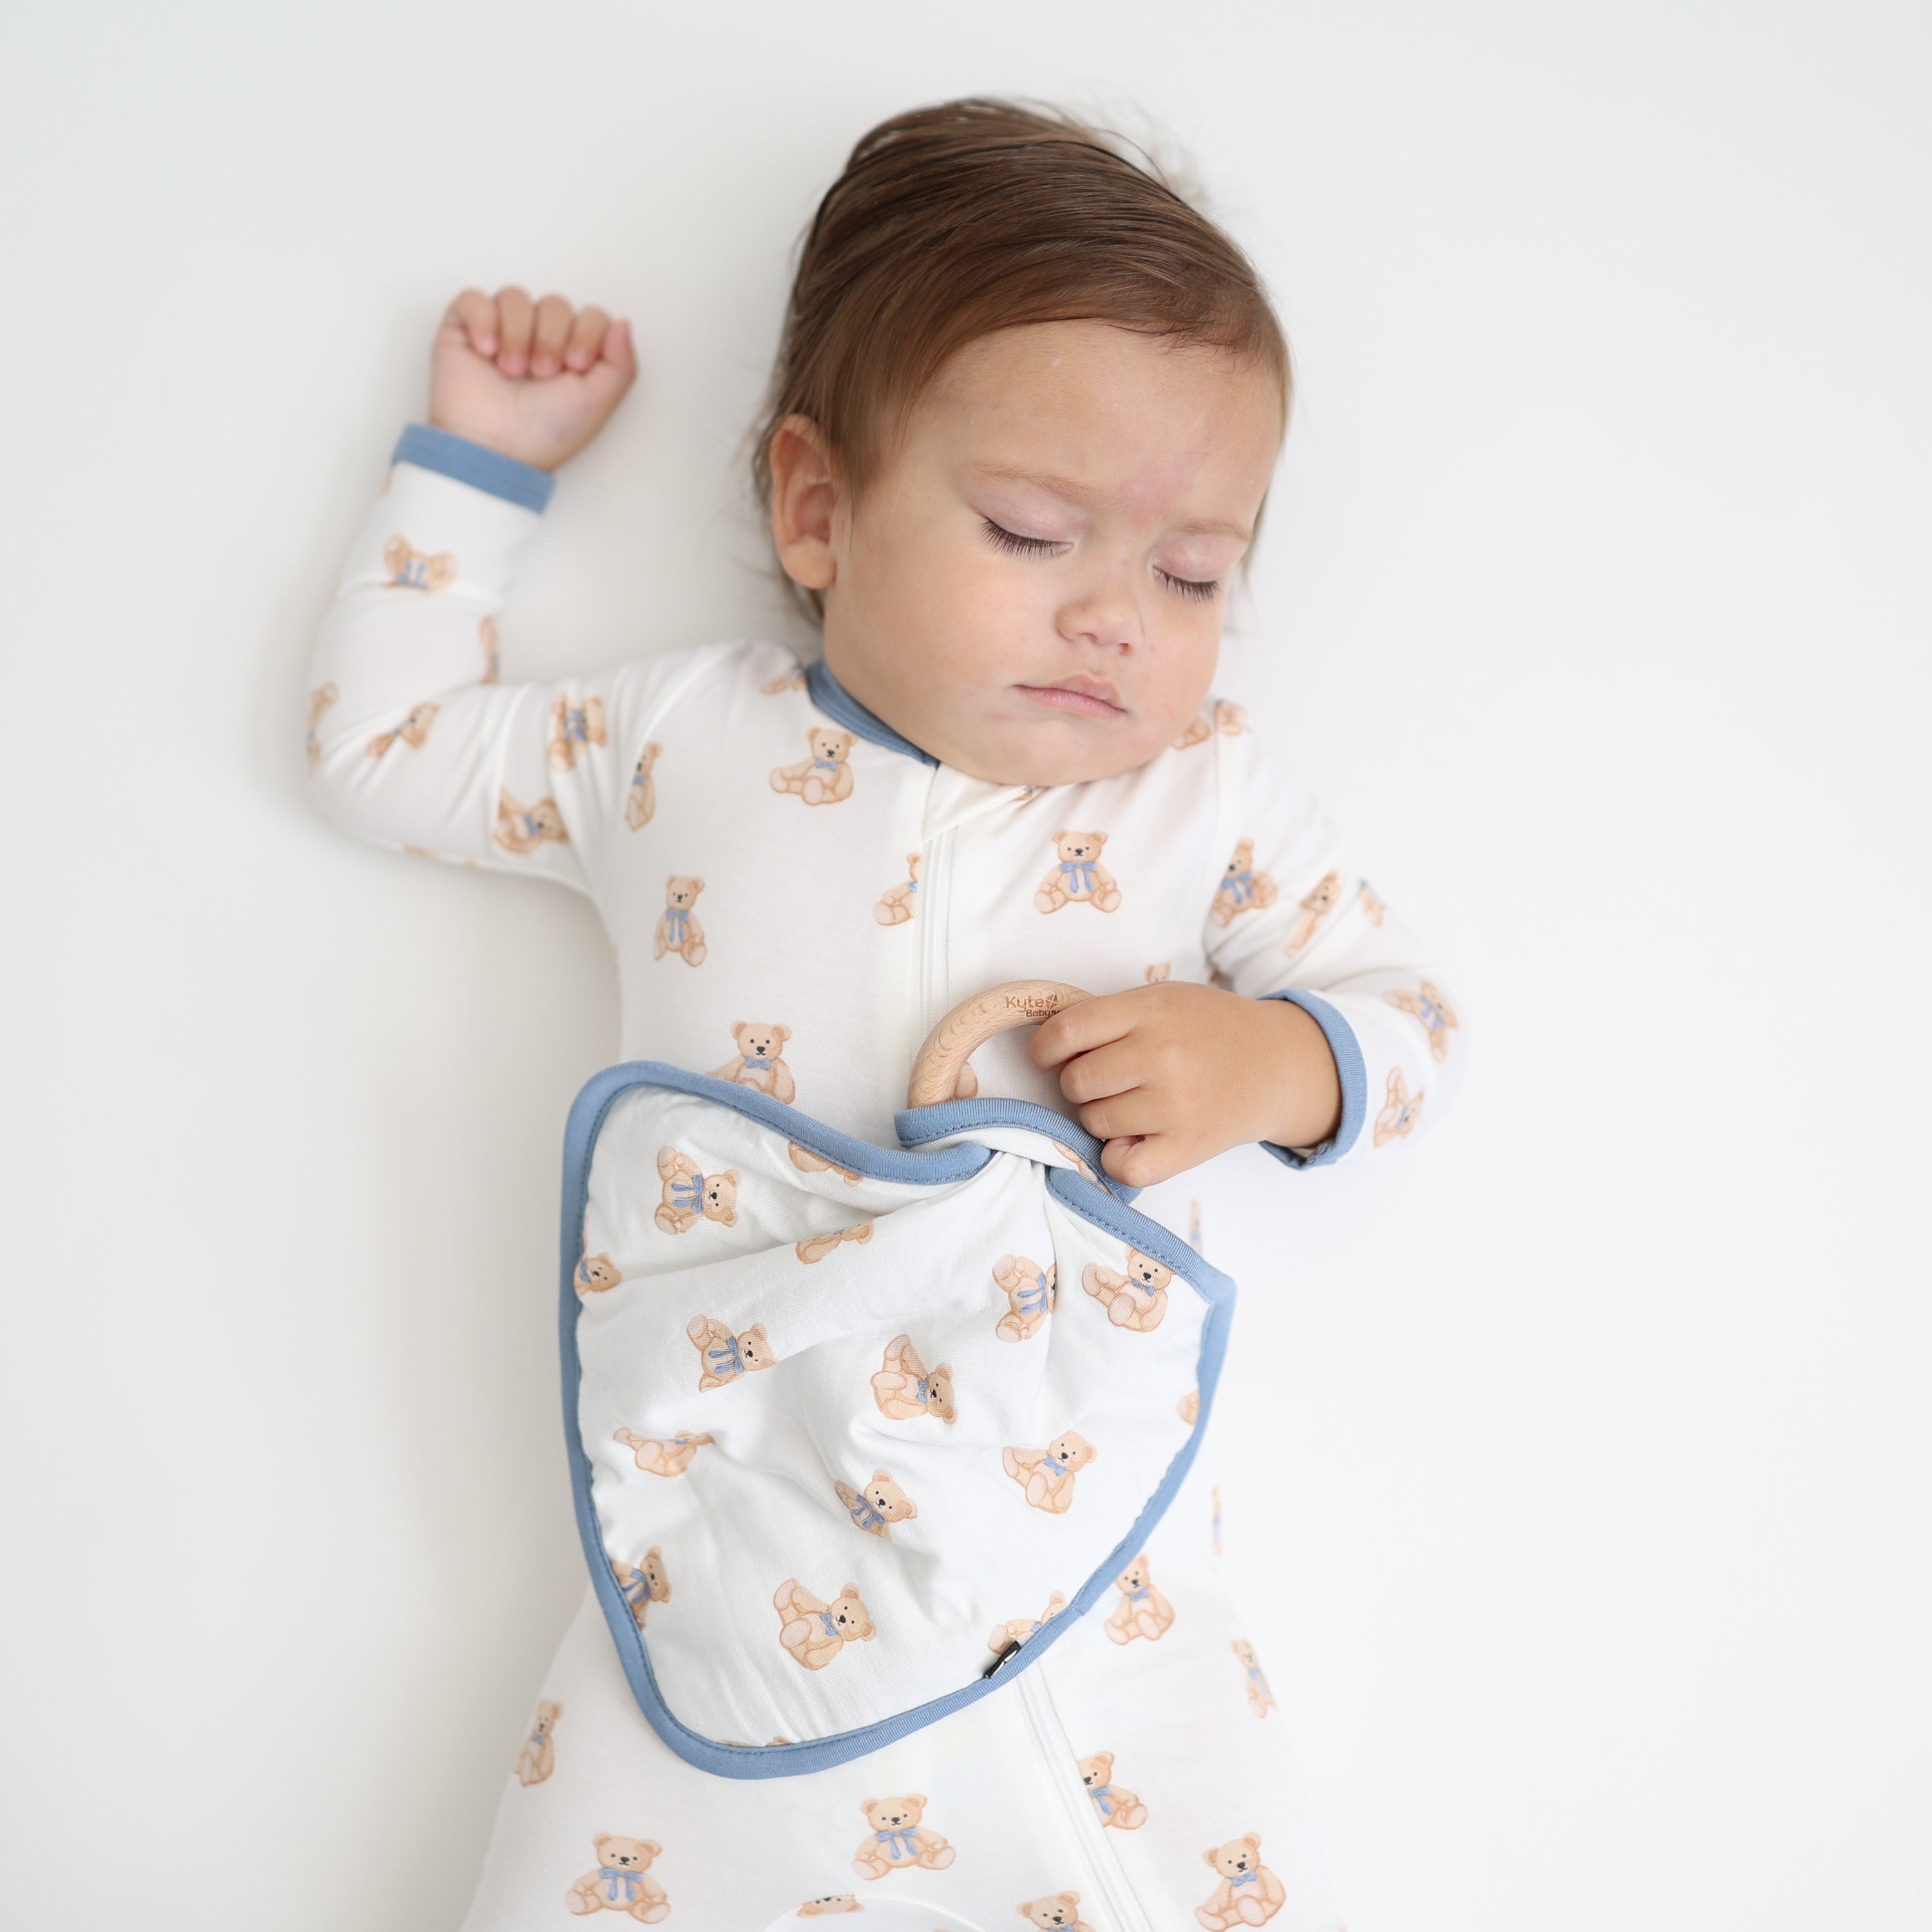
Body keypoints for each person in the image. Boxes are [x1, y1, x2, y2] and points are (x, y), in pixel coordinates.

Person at [308, 97, 1462, 1932]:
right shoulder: (681, 745)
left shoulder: (1206, 802)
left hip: (1083, 1534)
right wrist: (475, 469)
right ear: (817, 508)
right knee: (629, 1825)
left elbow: (1409, 1022)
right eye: (1030, 530)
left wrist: (1277, 1061)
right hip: (732, 1504)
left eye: (1190, 576)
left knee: (1174, 1849)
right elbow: (381, 757)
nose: (1114, 621)